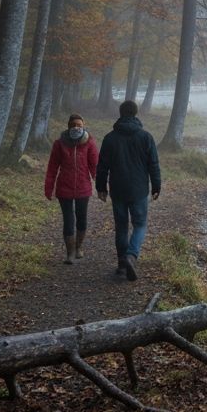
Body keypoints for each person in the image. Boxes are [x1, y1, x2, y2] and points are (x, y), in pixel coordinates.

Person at [96, 100, 161, 281]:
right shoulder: (145, 137)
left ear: (120, 113)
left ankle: (121, 265)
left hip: (117, 189)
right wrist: (156, 186)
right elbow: (153, 164)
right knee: (140, 224)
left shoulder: (110, 138)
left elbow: (102, 166)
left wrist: (101, 187)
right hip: (139, 189)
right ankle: (131, 255)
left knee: (121, 227)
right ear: (136, 113)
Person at [43, 114, 99, 264]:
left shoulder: (89, 142)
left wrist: (100, 185)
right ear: (68, 126)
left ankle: (79, 247)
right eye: (73, 125)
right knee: (68, 220)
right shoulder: (59, 143)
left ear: (83, 126)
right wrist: (49, 187)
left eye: (79, 125)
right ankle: (70, 253)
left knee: (82, 219)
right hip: (64, 189)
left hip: (83, 188)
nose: (76, 127)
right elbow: (52, 168)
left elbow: (95, 166)